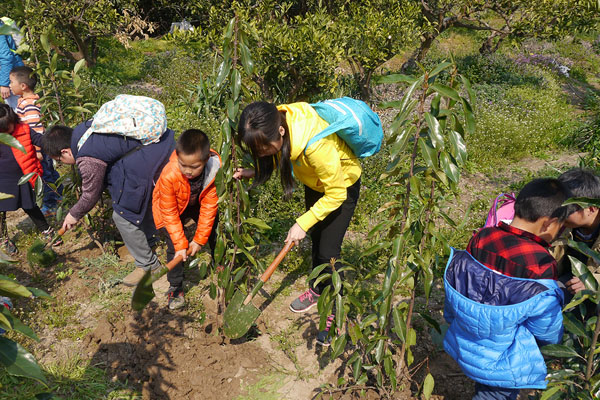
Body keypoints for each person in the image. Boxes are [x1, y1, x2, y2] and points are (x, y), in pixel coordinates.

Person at [234, 101, 362, 346]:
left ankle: (335, 310)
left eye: (262, 148)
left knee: (329, 253)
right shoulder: (281, 121)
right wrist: (255, 171)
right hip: (316, 182)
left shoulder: (315, 146)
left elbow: (336, 194)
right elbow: (280, 153)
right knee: (316, 240)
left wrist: (301, 223)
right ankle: (317, 288)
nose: (260, 154)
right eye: (255, 150)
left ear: (280, 132)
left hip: (341, 186)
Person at [443, 178, 572, 400]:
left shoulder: (483, 237)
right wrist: (554, 344)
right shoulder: (540, 263)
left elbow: (465, 284)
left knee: (486, 387)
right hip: (504, 356)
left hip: (466, 339)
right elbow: (545, 325)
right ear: (548, 223)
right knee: (494, 394)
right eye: (562, 226)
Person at [40, 120, 174, 286]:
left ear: (65, 151)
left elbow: (90, 195)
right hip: (163, 142)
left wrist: (73, 215)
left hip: (152, 158)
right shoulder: (85, 130)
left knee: (122, 216)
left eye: (59, 160)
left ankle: (148, 266)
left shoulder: (86, 157)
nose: (62, 164)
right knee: (132, 200)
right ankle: (150, 241)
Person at [152, 129, 221, 310]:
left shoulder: (213, 172)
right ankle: (175, 287)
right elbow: (169, 213)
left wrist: (199, 240)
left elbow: (209, 207)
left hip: (196, 201)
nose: (188, 171)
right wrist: (181, 245)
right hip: (171, 208)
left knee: (214, 228)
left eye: (194, 167)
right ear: (178, 157)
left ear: (205, 161)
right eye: (184, 165)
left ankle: (218, 262)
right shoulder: (169, 175)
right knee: (174, 247)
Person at [0, 104, 59, 255]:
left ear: (13, 119)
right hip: (3, 181)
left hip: (24, 176)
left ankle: (45, 229)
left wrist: (56, 142)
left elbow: (40, 140)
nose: (7, 131)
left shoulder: (24, 129)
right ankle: (3, 238)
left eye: (8, 126)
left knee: (31, 205)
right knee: (1, 211)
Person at [9, 66, 62, 216]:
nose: (10, 85)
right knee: (49, 172)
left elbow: (36, 128)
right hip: (39, 147)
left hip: (38, 148)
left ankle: (51, 204)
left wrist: (38, 150)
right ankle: (58, 196)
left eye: (12, 82)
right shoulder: (24, 101)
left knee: (43, 176)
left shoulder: (29, 104)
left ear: (23, 86)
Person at [0, 21, 24, 109]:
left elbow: (6, 57)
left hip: (12, 76)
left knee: (17, 111)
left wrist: (4, 84)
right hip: (10, 74)